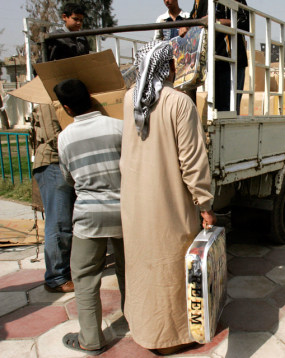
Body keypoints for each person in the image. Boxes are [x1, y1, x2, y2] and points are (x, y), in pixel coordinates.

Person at [120, 41, 216, 355]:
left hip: (135, 204)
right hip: (169, 205)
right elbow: (192, 161)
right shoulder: (178, 102)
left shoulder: (128, 99)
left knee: (142, 266)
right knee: (172, 268)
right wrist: (205, 203)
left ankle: (143, 328)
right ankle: (171, 336)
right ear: (170, 68)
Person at [54, 79, 125, 356]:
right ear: (93, 99)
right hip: (125, 212)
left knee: (84, 277)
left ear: (67, 108)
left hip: (89, 216)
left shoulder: (65, 138)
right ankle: (138, 322)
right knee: (128, 270)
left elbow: (68, 179)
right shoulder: (119, 128)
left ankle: (92, 340)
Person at [33, 2, 91, 293]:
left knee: (69, 221)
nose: (78, 24)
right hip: (53, 162)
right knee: (59, 225)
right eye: (75, 20)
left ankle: (64, 270)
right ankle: (56, 277)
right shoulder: (47, 98)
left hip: (62, 162)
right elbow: (57, 136)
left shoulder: (59, 96)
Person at [189, 0, 231, 111]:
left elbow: (241, 22)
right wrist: (185, 25)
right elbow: (192, 18)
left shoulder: (228, 2)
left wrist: (216, 21)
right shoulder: (199, 1)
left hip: (225, 57)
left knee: (224, 105)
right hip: (204, 55)